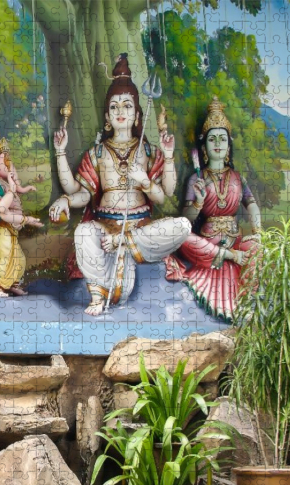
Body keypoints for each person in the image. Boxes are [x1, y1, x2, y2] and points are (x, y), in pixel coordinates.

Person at [48, 53, 191, 315]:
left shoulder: (147, 151)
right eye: (114, 107)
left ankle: (124, 243)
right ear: (107, 117)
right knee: (83, 234)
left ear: (138, 115)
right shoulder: (98, 153)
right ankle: (97, 293)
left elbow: (165, 194)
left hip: (140, 229)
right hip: (106, 228)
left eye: (127, 106)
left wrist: (152, 174)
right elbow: (78, 193)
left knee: (182, 225)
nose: (120, 112)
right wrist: (60, 155)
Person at [164, 97, 262, 322]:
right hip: (207, 244)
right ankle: (230, 257)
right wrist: (198, 202)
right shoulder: (196, 179)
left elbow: (252, 205)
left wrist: (257, 229)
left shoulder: (238, 178)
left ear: (229, 145)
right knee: (183, 237)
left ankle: (247, 300)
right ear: (204, 146)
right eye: (212, 139)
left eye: (222, 139)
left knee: (259, 246)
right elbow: (186, 221)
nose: (217, 143)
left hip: (236, 239)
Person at [0, 125, 44, 296]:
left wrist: (16, 185)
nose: (9, 163)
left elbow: (17, 189)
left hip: (11, 228)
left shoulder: (7, 183)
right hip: (0, 227)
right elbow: (2, 209)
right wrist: (25, 218)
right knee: (4, 253)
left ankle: (10, 283)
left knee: (18, 258)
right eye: (4, 159)